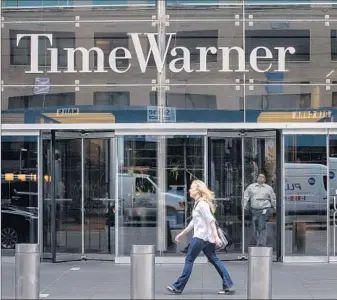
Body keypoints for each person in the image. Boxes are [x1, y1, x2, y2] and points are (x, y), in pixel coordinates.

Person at [166, 180, 235, 295]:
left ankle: (178, 287)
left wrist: (216, 237)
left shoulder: (202, 204)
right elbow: (193, 223)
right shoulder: (198, 203)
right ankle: (228, 285)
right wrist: (181, 234)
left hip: (200, 238)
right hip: (206, 239)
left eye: (191, 188)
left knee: (189, 260)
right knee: (214, 259)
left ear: (197, 190)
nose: (189, 190)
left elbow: (211, 221)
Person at [243, 173, 276, 247]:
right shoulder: (251, 187)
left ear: (265, 179)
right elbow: (245, 197)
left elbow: (273, 198)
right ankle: (258, 242)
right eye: (260, 177)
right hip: (254, 210)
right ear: (257, 178)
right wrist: (244, 207)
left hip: (264, 209)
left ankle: (261, 243)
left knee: (262, 224)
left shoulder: (268, 188)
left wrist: (275, 207)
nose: (261, 178)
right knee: (255, 226)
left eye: (263, 177)